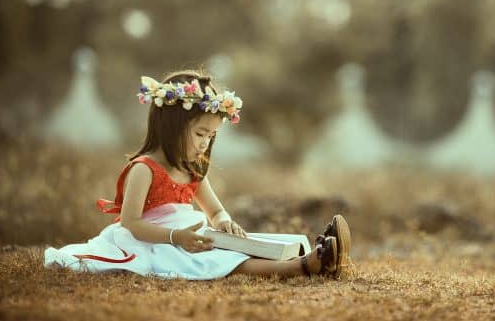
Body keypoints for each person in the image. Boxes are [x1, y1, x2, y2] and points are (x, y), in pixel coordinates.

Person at [44, 70, 351, 280]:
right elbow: (130, 222)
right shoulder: (144, 169)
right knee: (220, 261)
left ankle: (315, 250)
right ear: (172, 127)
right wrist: (176, 237)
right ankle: (304, 267)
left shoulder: (192, 171)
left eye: (211, 136)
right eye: (200, 133)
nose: (205, 143)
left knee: (244, 244)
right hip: (155, 243)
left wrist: (223, 221)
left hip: (195, 237)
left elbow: (214, 209)